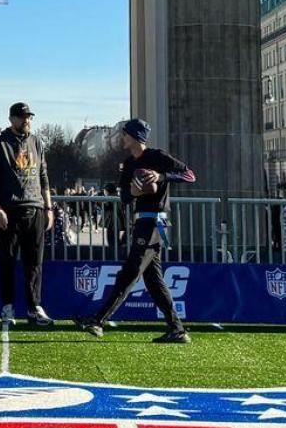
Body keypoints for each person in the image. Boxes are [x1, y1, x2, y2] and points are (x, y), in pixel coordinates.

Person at [76, 119, 196, 344]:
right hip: (141, 223)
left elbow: (190, 175)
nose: (122, 138)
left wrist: (162, 176)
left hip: (155, 223)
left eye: (125, 134)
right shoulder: (129, 164)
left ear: (135, 136)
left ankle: (98, 320)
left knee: (130, 271)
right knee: (154, 281)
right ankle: (177, 329)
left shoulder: (158, 156)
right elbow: (124, 198)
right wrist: (133, 190)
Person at [0, 102, 55, 325]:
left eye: (29, 117)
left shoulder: (36, 142)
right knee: (6, 260)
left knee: (34, 261)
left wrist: (49, 207)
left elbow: (43, 176)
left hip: (35, 207)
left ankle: (35, 307)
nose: (27, 120)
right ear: (12, 119)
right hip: (9, 209)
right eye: (22, 117)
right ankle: (8, 308)